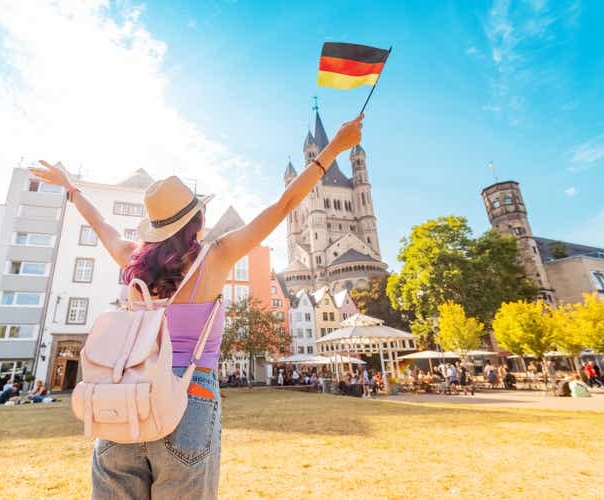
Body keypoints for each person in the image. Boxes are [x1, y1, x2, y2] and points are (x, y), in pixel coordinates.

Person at [29, 112, 363, 499]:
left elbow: (100, 223)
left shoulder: (131, 258)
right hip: (190, 400)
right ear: (197, 220)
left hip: (123, 400)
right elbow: (285, 204)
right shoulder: (216, 257)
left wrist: (71, 188)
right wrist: (334, 148)